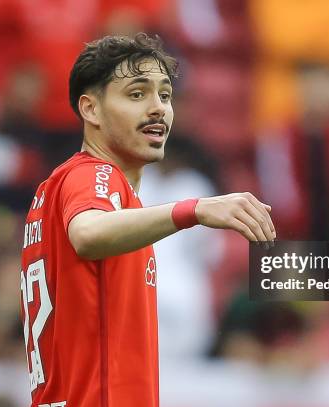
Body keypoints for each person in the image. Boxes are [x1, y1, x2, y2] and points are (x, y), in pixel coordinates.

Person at [19, 33, 275, 407]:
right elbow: (87, 233)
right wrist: (193, 210)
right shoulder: (91, 176)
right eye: (137, 94)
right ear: (91, 110)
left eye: (165, 95)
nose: (158, 108)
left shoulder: (56, 190)